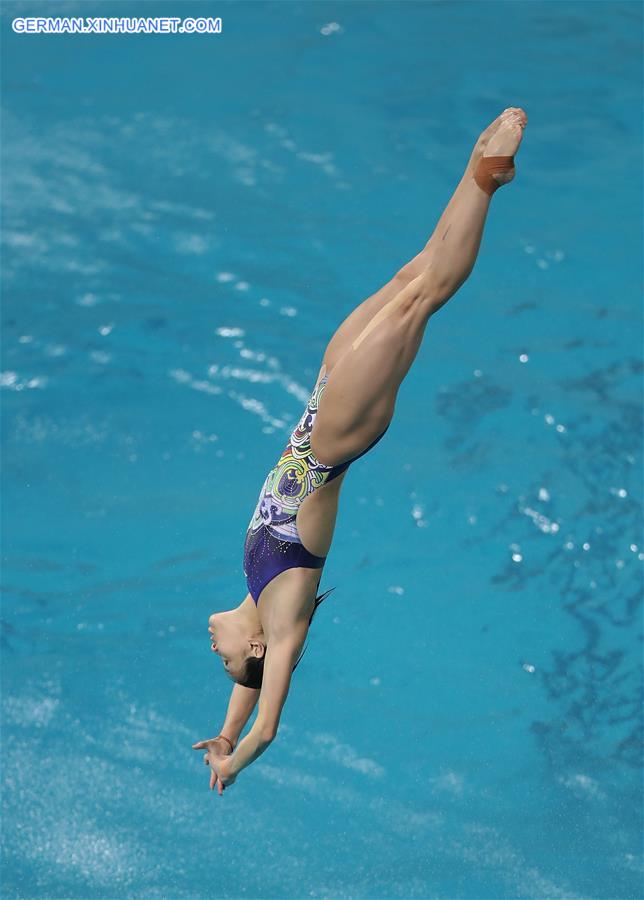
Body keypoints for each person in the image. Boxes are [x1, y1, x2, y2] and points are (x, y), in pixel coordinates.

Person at [193, 107, 528, 794]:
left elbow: (247, 690)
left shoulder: (258, 593)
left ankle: (477, 171)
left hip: (321, 404)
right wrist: (240, 756)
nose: (214, 652)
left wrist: (225, 728)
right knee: (422, 299)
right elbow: (271, 722)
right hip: (337, 436)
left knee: (411, 276)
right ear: (254, 649)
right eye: (224, 662)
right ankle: (488, 181)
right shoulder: (281, 619)